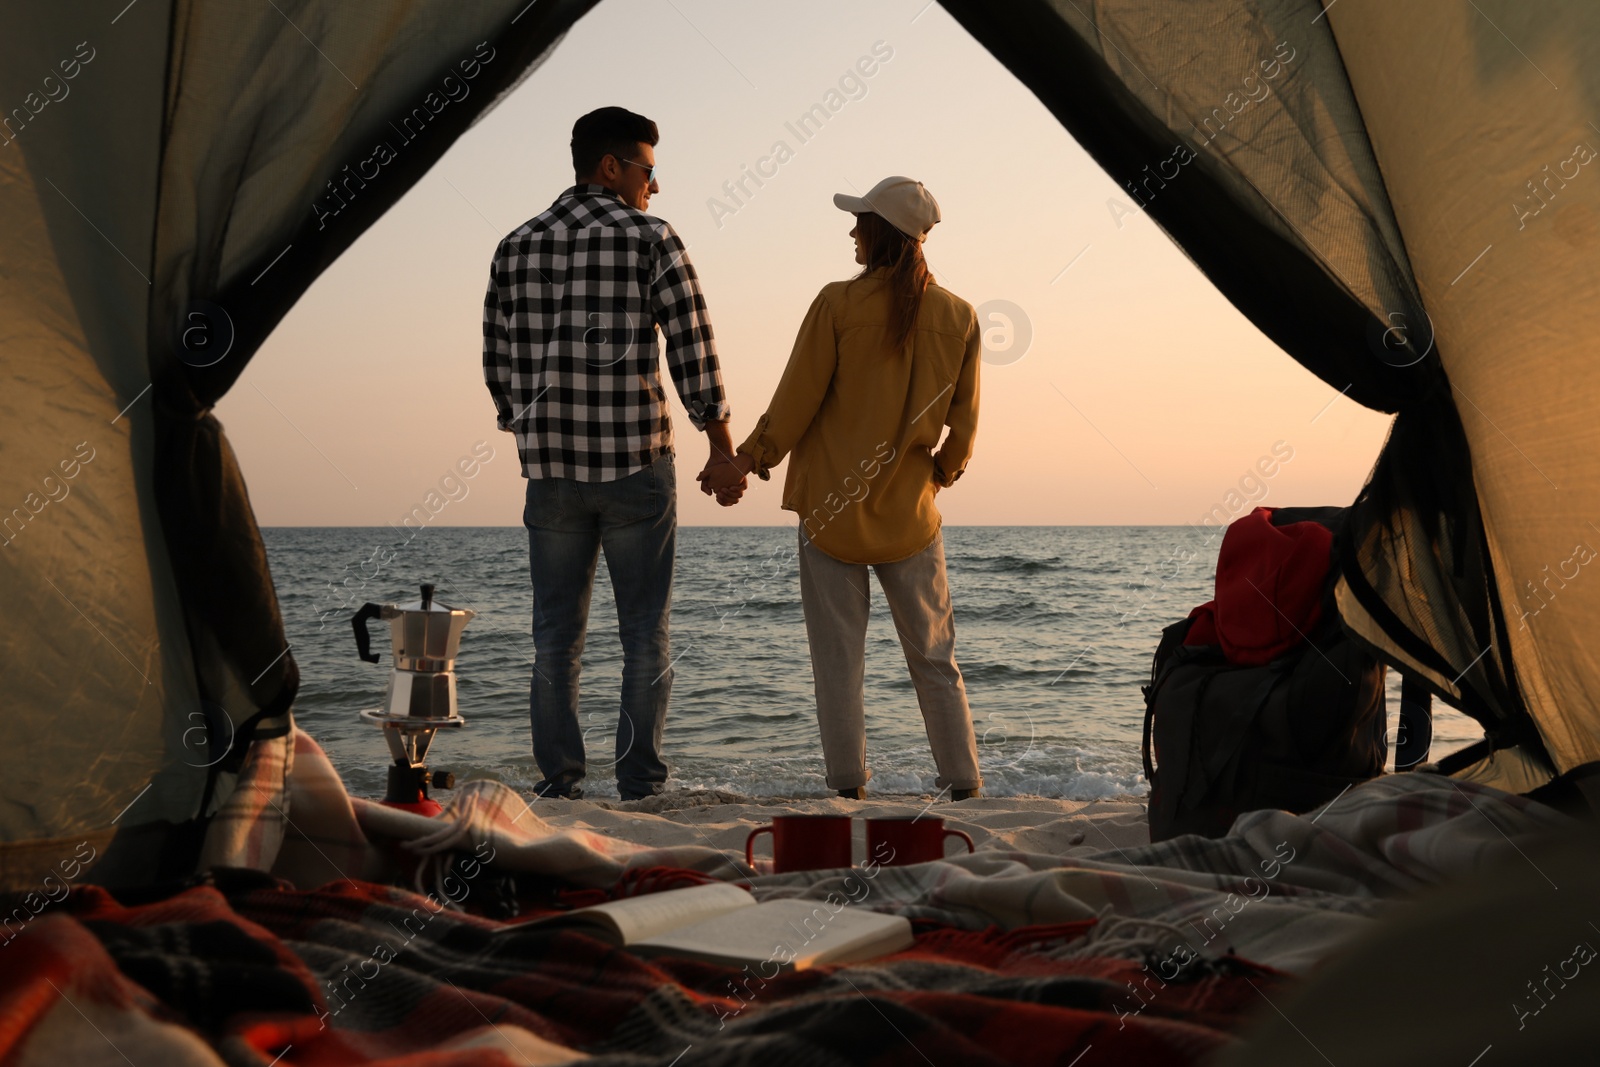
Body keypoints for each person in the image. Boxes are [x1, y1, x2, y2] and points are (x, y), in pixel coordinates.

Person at [483, 107, 745, 802]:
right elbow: (692, 345)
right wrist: (721, 449)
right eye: (648, 172)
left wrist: (528, 430)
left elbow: (497, 359)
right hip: (635, 465)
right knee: (643, 636)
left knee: (553, 639)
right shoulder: (648, 236)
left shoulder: (515, 245)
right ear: (612, 168)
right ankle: (639, 784)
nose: (654, 188)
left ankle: (561, 782)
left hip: (552, 477)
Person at [704, 176, 984, 801]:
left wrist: (744, 461)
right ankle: (963, 783)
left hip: (830, 513)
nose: (852, 230)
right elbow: (963, 431)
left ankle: (847, 788)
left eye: (860, 220)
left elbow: (796, 399)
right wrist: (933, 478)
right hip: (912, 517)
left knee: (839, 667)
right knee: (936, 662)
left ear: (881, 231)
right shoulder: (960, 317)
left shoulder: (836, 304)